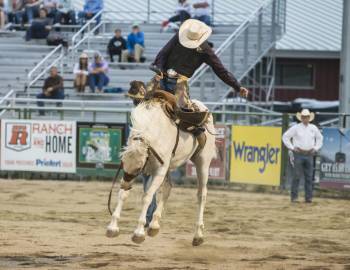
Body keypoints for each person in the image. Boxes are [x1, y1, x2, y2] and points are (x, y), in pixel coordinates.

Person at [152, 19, 248, 143]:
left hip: (170, 79)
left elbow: (162, 54)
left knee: (176, 109)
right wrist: (237, 86)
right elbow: (220, 70)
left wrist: (237, 86)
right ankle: (197, 135)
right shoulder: (198, 45)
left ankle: (195, 136)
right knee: (147, 100)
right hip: (170, 79)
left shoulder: (190, 41)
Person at [125, 85, 157, 227]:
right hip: (146, 152)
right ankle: (150, 217)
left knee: (148, 186)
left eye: (134, 99)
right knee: (149, 186)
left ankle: (150, 218)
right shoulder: (150, 109)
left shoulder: (141, 112)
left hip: (149, 153)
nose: (133, 101)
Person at [282, 109, 323, 203]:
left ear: (309, 118)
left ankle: (308, 198)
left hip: (309, 154)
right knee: (296, 176)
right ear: (301, 118)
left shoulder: (313, 128)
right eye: (304, 117)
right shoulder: (296, 128)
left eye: (307, 117)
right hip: (299, 153)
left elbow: (320, 138)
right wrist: (292, 147)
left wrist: (316, 148)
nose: (305, 118)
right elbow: (285, 137)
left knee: (309, 177)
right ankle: (294, 197)